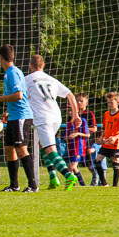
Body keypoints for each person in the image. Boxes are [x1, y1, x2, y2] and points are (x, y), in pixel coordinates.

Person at [21, 54, 80, 190]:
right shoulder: (51, 79)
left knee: (50, 149)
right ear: (43, 65)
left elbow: (20, 97)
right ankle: (53, 178)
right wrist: (76, 115)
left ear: (30, 65)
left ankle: (68, 175)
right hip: (56, 116)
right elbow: (70, 95)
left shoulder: (27, 79)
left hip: (43, 118)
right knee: (43, 145)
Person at [0, 45, 38, 193]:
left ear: (0, 57)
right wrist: (7, 112)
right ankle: (14, 185)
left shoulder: (12, 73)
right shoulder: (10, 73)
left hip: (21, 117)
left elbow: (19, 95)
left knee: (21, 149)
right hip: (14, 116)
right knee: (9, 149)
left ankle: (33, 186)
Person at [94, 91, 119, 187]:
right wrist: (101, 138)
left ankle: (114, 186)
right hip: (106, 143)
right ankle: (104, 183)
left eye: (111, 102)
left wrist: (115, 137)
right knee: (97, 161)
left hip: (116, 144)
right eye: (108, 102)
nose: (109, 104)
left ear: (117, 102)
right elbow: (105, 128)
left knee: (115, 163)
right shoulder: (106, 114)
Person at [64, 104, 90, 186]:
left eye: (71, 110)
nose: (69, 112)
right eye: (68, 110)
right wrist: (68, 137)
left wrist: (77, 134)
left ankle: (83, 185)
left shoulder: (82, 121)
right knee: (70, 168)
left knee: (73, 167)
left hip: (79, 148)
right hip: (70, 148)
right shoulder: (69, 123)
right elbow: (65, 137)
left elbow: (88, 135)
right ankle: (72, 185)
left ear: (76, 111)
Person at [76, 93, 98, 184]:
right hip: (76, 142)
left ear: (86, 103)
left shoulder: (89, 114)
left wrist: (82, 129)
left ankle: (96, 176)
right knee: (73, 163)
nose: (79, 102)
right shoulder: (74, 114)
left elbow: (94, 129)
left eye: (81, 101)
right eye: (77, 101)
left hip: (87, 141)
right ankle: (77, 183)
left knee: (89, 164)